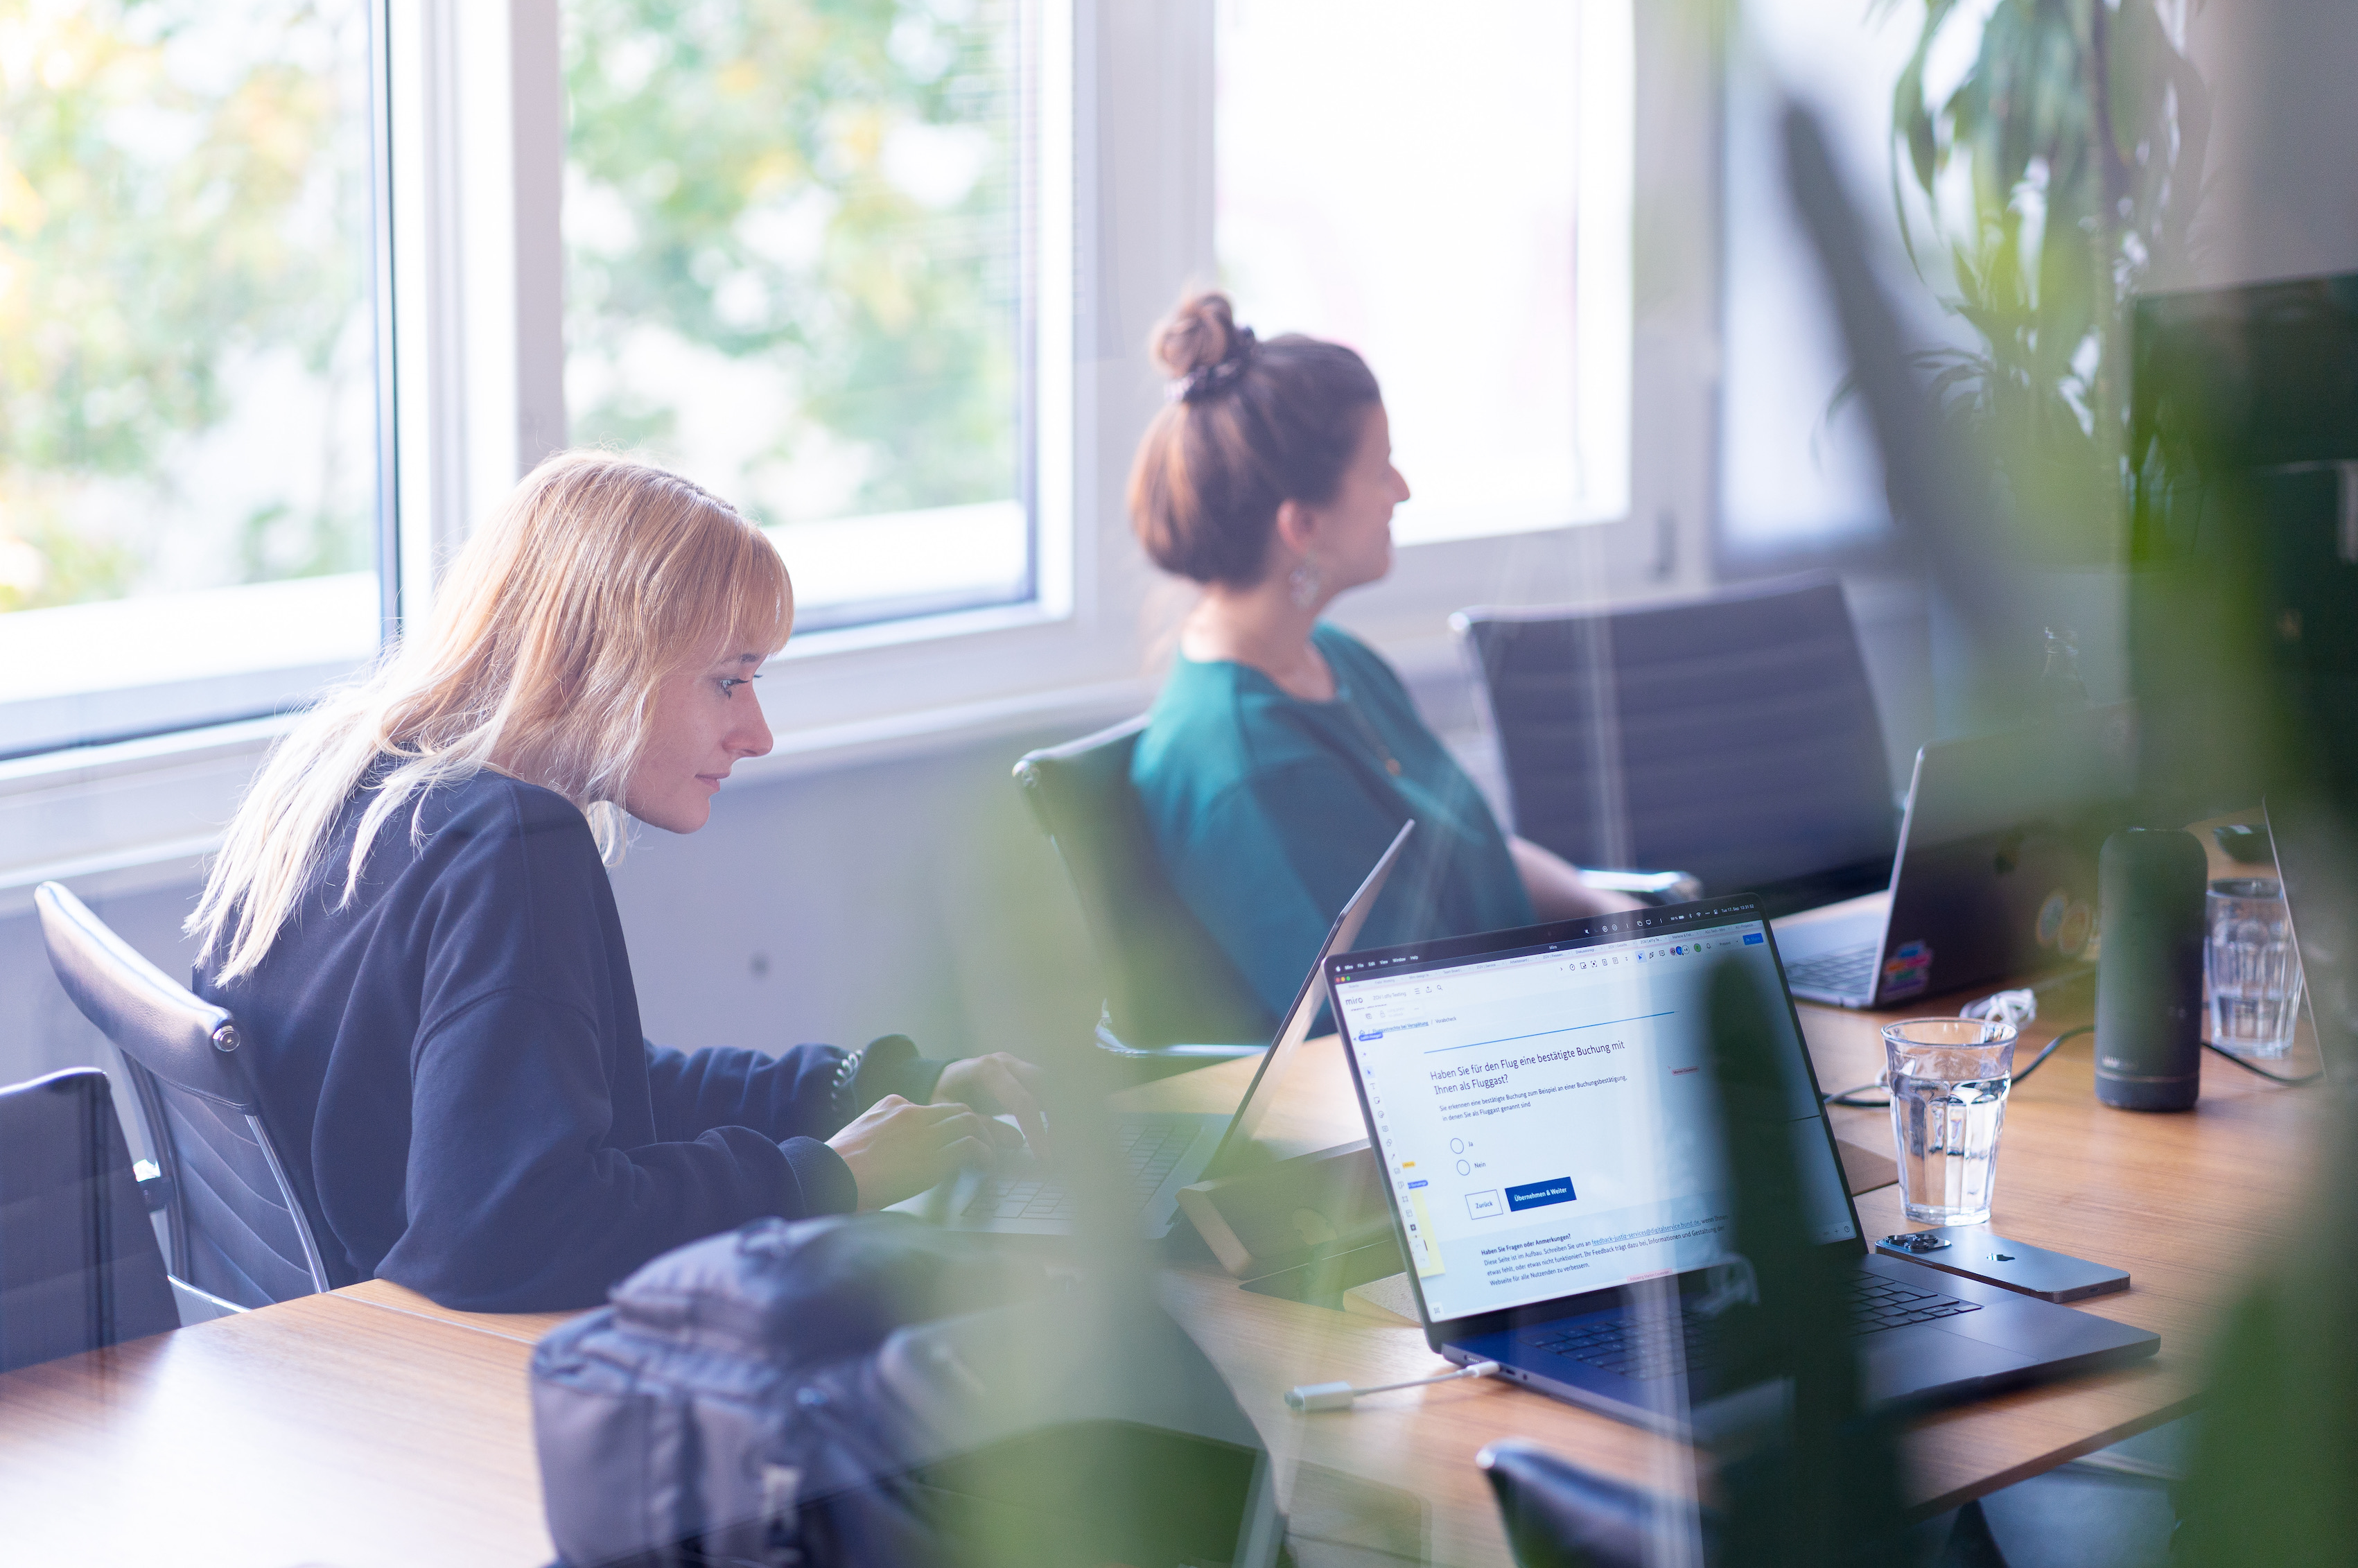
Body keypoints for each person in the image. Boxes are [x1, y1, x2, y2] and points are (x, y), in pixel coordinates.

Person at [186, 451, 1047, 1312]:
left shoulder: (353, 786)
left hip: (316, 1372)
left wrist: (855, 1088)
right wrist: (822, 1179)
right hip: (436, 1383)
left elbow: (566, 1095)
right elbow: (507, 1229)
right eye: (729, 681)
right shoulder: (512, 842)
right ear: (593, 664)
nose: (758, 732)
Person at [1126, 293, 1632, 1025]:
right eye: (1381, 470)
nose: (1403, 490)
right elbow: (1386, 1025)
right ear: (1302, 525)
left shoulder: (1332, 658)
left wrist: (1600, 906)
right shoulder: (1246, 768)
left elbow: (1464, 844)